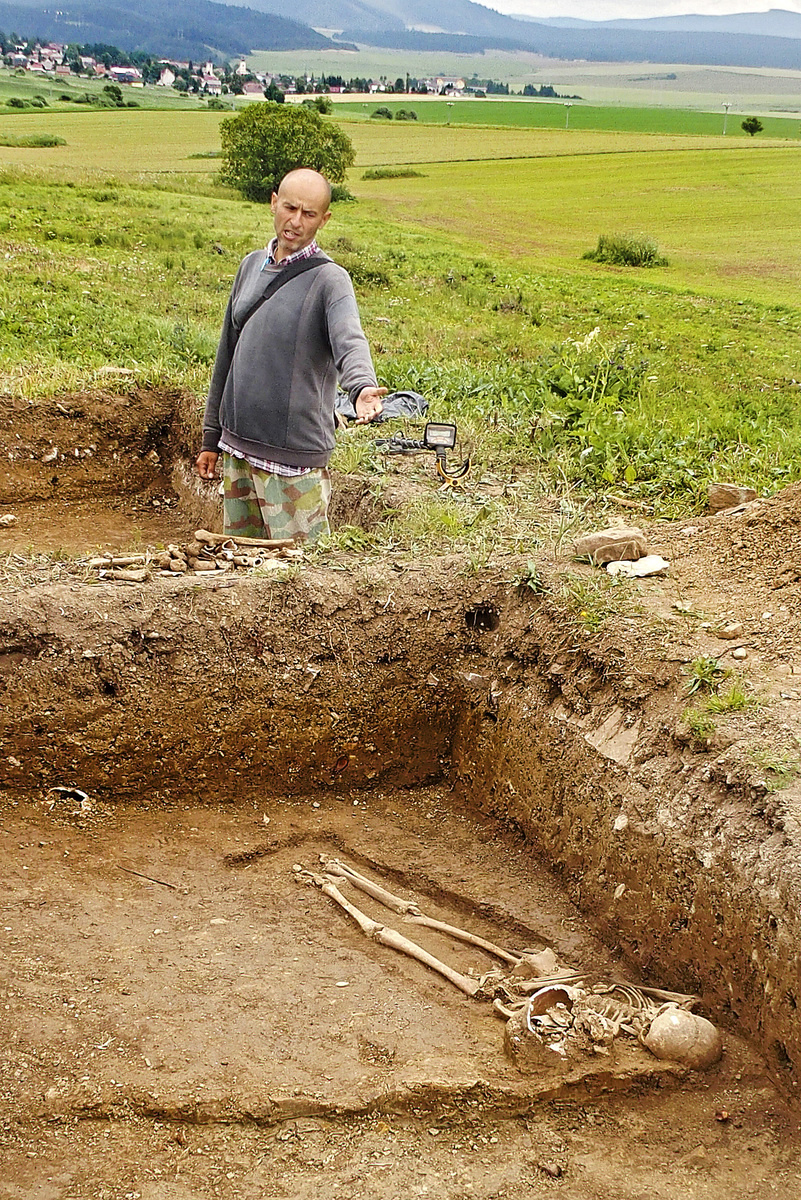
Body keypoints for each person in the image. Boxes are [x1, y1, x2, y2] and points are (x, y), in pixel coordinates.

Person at [196, 167, 386, 542]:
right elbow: (227, 354)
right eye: (290, 208)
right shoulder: (251, 265)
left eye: (309, 214)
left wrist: (361, 386)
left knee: (299, 576)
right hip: (238, 452)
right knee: (241, 569)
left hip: (292, 464)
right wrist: (211, 438)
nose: (296, 221)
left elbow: (349, 337)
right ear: (273, 204)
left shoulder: (330, 281)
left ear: (324, 219)